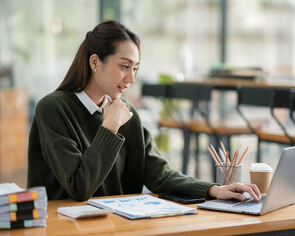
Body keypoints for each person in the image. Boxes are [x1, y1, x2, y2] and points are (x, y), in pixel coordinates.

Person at [27, 20, 261, 202]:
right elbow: (80, 187)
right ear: (95, 62)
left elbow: (160, 174)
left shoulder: (125, 111)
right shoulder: (53, 109)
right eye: (124, 66)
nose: (131, 78)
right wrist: (109, 127)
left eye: (135, 68)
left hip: (116, 224)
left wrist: (214, 189)